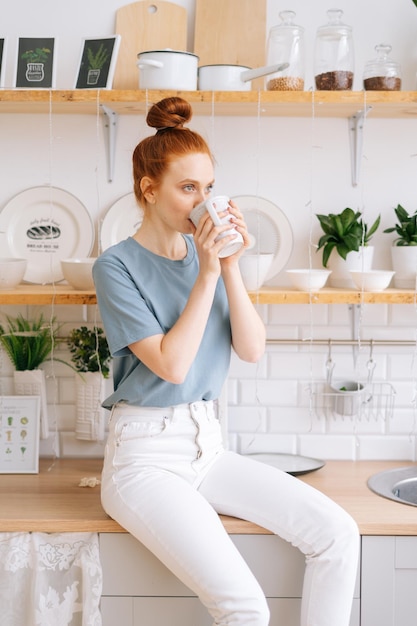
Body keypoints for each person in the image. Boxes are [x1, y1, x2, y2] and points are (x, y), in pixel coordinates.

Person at [93, 96, 359, 626]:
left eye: (209, 187)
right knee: (244, 609)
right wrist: (209, 273)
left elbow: (252, 347)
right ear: (150, 190)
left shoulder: (208, 256)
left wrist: (231, 265)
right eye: (188, 187)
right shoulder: (115, 266)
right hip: (143, 461)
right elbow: (172, 365)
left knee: (337, 533)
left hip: (206, 445)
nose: (203, 200)